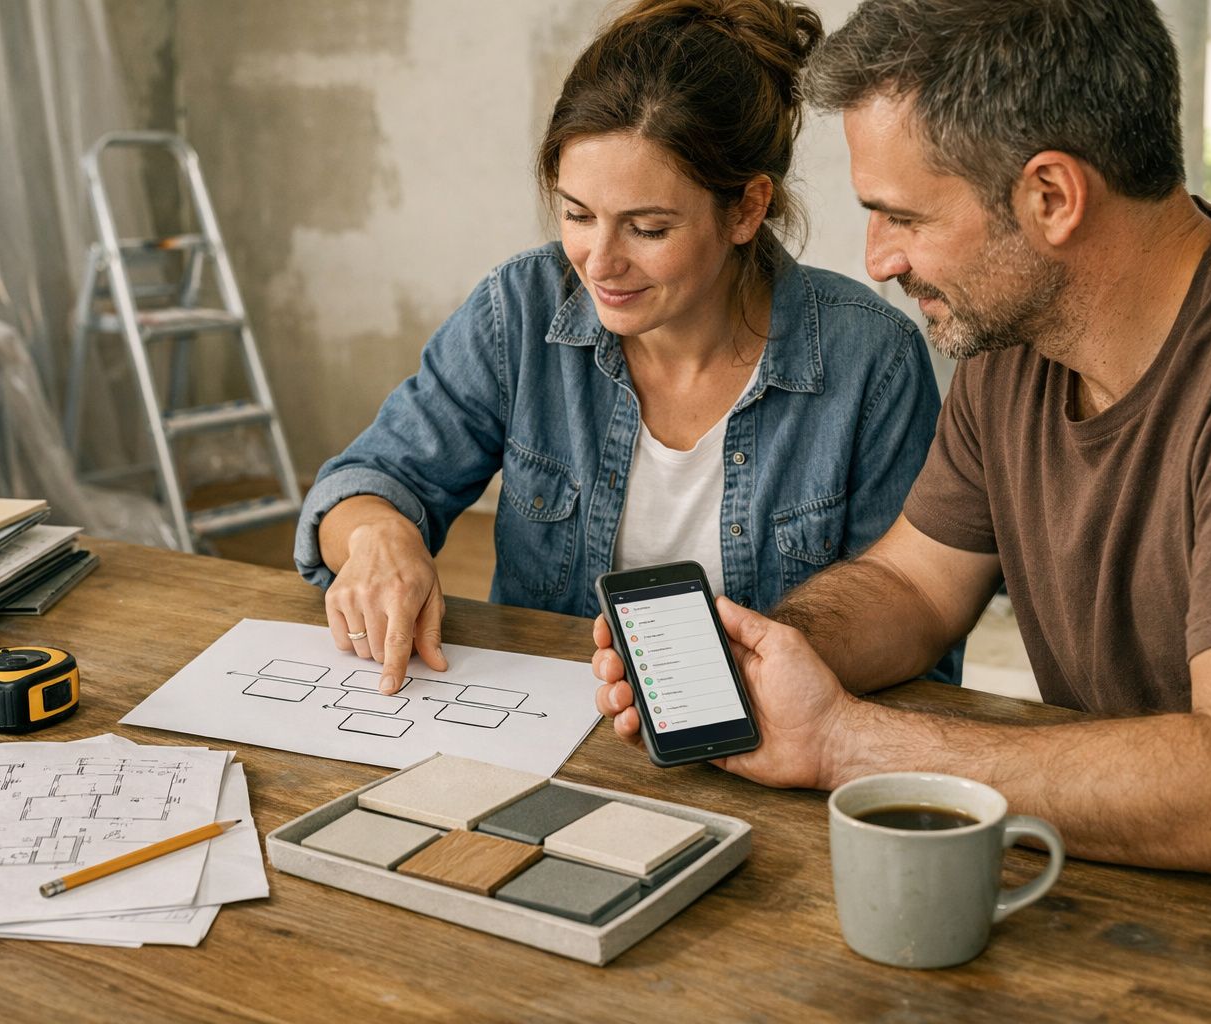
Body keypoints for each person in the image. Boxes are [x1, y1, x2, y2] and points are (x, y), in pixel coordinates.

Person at [593, 0, 1211, 882]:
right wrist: (761, 656)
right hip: (1114, 874)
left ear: (1051, 197)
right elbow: (914, 585)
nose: (879, 260)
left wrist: (846, 743)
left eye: (904, 218)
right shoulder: (1015, 345)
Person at [296, 0, 948, 694]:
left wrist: (738, 680)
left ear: (747, 209)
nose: (599, 264)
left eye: (648, 228)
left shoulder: (871, 361)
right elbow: (365, 482)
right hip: (537, 720)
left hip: (766, 741)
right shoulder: (521, 309)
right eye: (577, 215)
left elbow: (912, 635)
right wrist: (377, 537)